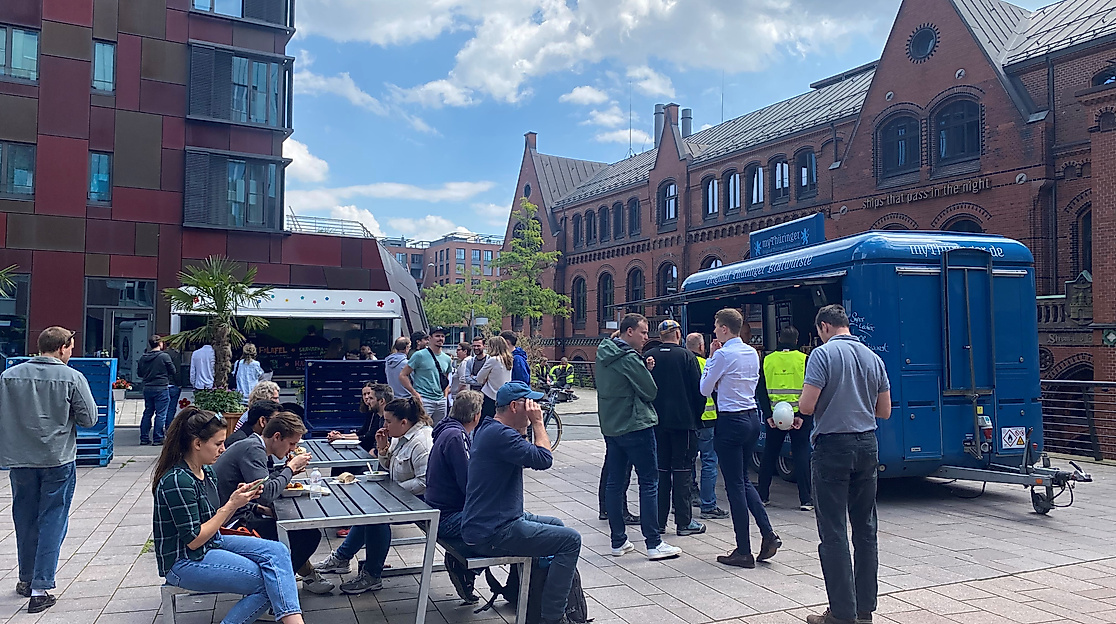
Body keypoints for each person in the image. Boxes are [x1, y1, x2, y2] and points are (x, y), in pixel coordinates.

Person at [152, 406, 305, 624]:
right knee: (269, 581)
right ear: (197, 444)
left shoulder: (206, 472)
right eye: (218, 444)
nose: (223, 449)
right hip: (183, 561)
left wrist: (240, 500)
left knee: (278, 552)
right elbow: (194, 540)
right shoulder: (178, 480)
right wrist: (231, 505)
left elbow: (213, 519)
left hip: (212, 542)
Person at [800, 305, 891, 624]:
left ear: (824, 327)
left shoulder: (822, 355)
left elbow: (807, 405)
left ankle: (841, 614)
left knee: (834, 530)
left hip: (833, 447)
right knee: (865, 528)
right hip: (867, 444)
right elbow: (884, 411)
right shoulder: (873, 358)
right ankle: (865, 609)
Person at [462, 382, 581, 624]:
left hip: (488, 522)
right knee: (571, 540)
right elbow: (543, 459)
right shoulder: (501, 435)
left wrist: (524, 428)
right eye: (529, 403)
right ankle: (552, 617)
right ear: (515, 406)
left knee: (557, 525)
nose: (534, 407)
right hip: (493, 531)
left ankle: (523, 593)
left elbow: (524, 454)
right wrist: (538, 423)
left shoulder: (489, 428)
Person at [0, 327, 97, 614]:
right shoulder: (72, 377)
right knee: (53, 519)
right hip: (58, 458)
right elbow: (89, 419)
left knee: (25, 518)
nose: (71, 353)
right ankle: (40, 588)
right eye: (71, 348)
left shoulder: (9, 376)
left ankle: (26, 578)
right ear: (62, 347)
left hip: (20, 459)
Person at [315, 398, 433, 594]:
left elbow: (424, 482)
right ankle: (342, 558)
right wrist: (382, 449)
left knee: (376, 516)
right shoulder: (399, 435)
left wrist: (392, 492)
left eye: (388, 421)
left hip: (422, 500)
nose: (384, 425)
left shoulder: (422, 442)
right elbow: (389, 467)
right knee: (368, 507)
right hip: (400, 493)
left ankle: (372, 575)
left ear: (404, 422)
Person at [213, 411, 335, 595]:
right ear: (277, 436)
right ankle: (276, 588)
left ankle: (301, 577)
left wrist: (286, 473)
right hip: (230, 524)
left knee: (294, 527)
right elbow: (267, 494)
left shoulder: (253, 445)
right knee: (308, 535)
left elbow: (262, 484)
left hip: (236, 512)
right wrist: (290, 468)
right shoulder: (253, 450)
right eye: (292, 443)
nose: (293, 449)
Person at [700, 309, 781, 569]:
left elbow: (704, 388)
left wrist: (710, 358)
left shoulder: (722, 355)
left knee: (734, 485)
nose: (714, 331)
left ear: (724, 329)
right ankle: (767, 532)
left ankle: (743, 550)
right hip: (751, 418)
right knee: (743, 480)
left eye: (716, 326)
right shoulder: (751, 353)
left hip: (730, 420)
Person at [597, 313, 682, 561]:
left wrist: (643, 369)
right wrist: (645, 371)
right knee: (649, 482)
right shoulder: (629, 358)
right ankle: (653, 543)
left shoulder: (603, 353)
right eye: (643, 332)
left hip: (612, 426)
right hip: (636, 424)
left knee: (615, 483)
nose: (647, 337)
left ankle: (618, 540)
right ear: (629, 331)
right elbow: (650, 391)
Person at [647, 320, 706, 537]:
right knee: (682, 472)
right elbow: (699, 392)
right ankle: (683, 522)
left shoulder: (650, 357)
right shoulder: (687, 357)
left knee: (661, 472)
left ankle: (659, 522)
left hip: (657, 423)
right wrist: (695, 417)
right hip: (684, 423)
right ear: (678, 334)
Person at [426, 389, 483, 603]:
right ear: (476, 416)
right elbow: (469, 484)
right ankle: (465, 568)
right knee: (504, 525)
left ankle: (465, 569)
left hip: (438, 509)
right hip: (447, 517)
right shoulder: (457, 437)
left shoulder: (446, 431)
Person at [758, 326, 813, 511]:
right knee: (801, 453)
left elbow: (761, 390)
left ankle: (763, 496)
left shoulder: (767, 360)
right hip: (798, 414)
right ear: (796, 340)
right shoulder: (804, 359)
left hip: (775, 414)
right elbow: (810, 388)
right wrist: (803, 415)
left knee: (769, 453)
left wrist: (768, 415)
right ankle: (806, 499)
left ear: (779, 339)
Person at [687, 333, 728, 520]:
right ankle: (708, 504)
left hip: (689, 421)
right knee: (709, 462)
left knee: (686, 462)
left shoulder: (684, 363)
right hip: (708, 419)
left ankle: (685, 500)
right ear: (701, 347)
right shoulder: (707, 364)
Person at [400, 327, 452, 424]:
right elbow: (403, 375)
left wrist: (445, 396)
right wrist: (415, 393)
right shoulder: (419, 355)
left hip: (441, 401)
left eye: (442, 336)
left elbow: (446, 378)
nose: (440, 338)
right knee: (421, 427)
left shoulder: (447, 359)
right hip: (424, 399)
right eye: (437, 336)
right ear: (430, 338)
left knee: (439, 428)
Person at [328, 383, 392, 453]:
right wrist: (340, 436)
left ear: (382, 401)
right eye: (364, 394)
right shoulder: (376, 415)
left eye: (370, 397)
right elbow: (362, 432)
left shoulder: (386, 419)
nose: (367, 399)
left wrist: (341, 437)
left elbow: (370, 437)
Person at [139, 335, 177, 446]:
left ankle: (144, 438)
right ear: (160, 344)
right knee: (161, 414)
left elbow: (139, 373)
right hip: (161, 387)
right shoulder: (164, 356)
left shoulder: (143, 357)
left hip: (147, 387)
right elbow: (173, 371)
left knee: (148, 412)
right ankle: (158, 438)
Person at [472, 335, 514, 419]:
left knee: (483, 420)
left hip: (489, 395)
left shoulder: (493, 360)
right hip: (503, 395)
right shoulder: (509, 360)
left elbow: (479, 378)